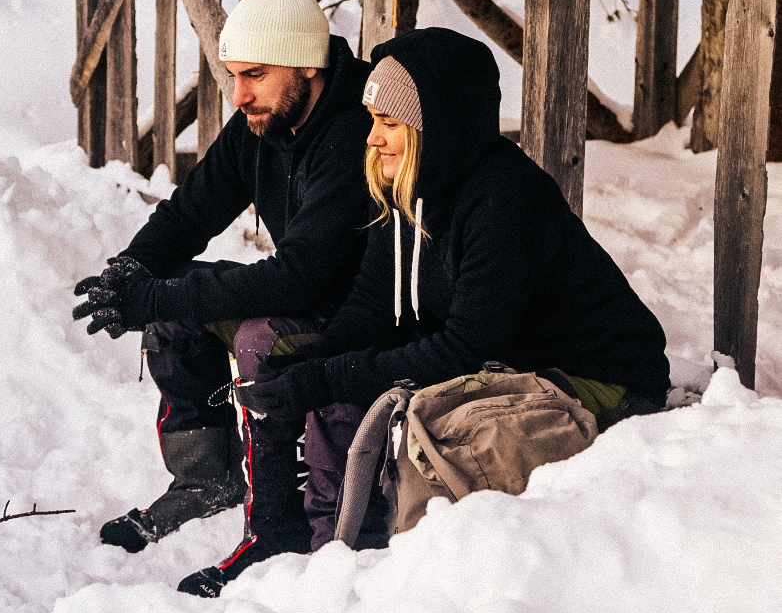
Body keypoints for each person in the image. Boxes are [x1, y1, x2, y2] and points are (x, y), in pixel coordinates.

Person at [237, 27, 671, 543]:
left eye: (388, 123)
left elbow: (469, 346)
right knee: (342, 377)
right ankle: (321, 541)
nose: (371, 138)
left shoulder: (507, 199)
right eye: (373, 120)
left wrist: (329, 376)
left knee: (430, 421)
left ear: (434, 127)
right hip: (511, 361)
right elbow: (374, 303)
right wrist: (315, 360)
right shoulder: (410, 185)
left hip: (597, 378)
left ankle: (391, 551)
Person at [72, 0, 380, 594]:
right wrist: (133, 270)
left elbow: (304, 278)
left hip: (359, 315)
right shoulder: (265, 122)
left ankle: (275, 533)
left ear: (307, 65)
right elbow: (192, 212)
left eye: (255, 76)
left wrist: (158, 296)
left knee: (258, 337)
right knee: (172, 299)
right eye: (233, 76)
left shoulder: (351, 134)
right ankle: (206, 477)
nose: (238, 96)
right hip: (310, 292)